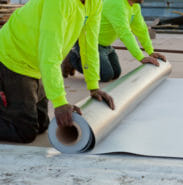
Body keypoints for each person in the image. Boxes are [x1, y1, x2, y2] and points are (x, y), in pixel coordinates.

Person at [0, 0, 114, 143]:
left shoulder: (95, 2)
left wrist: (93, 86)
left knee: (42, 125)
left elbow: (89, 44)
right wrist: (59, 101)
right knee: (25, 131)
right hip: (13, 58)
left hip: (36, 65)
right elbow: (49, 52)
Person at [62, 0, 166, 82]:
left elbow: (141, 30)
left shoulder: (135, 6)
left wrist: (150, 51)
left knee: (116, 73)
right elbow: (125, 33)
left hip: (105, 46)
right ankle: (72, 58)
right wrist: (140, 57)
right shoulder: (116, 3)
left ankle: (85, 56)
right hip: (90, 43)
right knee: (106, 75)